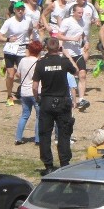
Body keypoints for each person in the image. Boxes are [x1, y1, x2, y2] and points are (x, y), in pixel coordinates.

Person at [32, 37, 77, 174]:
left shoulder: (41, 63)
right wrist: (68, 55)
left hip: (46, 101)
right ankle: (64, 163)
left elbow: (34, 86)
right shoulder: (63, 62)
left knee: (45, 134)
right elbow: (76, 71)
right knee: (64, 133)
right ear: (58, 48)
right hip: (62, 101)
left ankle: (48, 165)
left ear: (46, 48)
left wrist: (37, 99)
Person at [14, 39, 42, 146]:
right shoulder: (38, 62)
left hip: (24, 92)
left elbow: (18, 74)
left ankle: (18, 137)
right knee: (39, 116)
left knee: (24, 115)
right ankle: (38, 139)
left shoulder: (23, 61)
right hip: (36, 91)